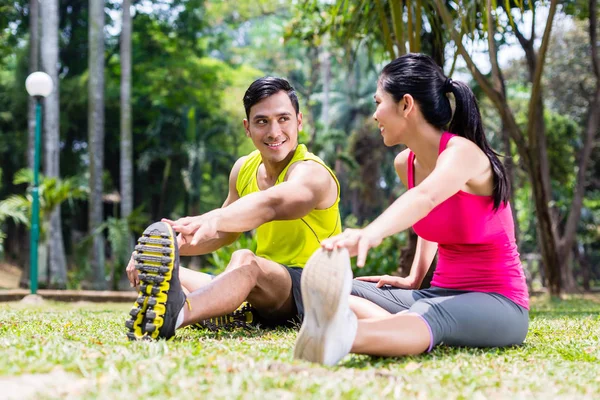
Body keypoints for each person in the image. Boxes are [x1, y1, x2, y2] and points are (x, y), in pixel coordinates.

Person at [293, 53, 529, 366]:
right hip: (438, 293)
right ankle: (396, 328)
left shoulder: (463, 153)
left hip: (499, 303)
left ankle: (347, 337)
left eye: (378, 102)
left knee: (432, 316)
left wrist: (370, 234)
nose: (375, 115)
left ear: (406, 105)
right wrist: (415, 278)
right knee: (343, 292)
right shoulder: (407, 164)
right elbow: (426, 215)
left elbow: (426, 199)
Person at [125, 77, 341, 340]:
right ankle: (223, 310)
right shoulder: (244, 169)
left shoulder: (312, 173)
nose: (274, 132)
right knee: (166, 273)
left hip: (314, 288)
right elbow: (226, 232)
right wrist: (165, 251)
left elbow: (270, 204)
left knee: (244, 260)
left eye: (283, 119)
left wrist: (212, 218)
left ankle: (180, 314)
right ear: (247, 128)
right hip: (264, 288)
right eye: (262, 121)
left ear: (299, 121)